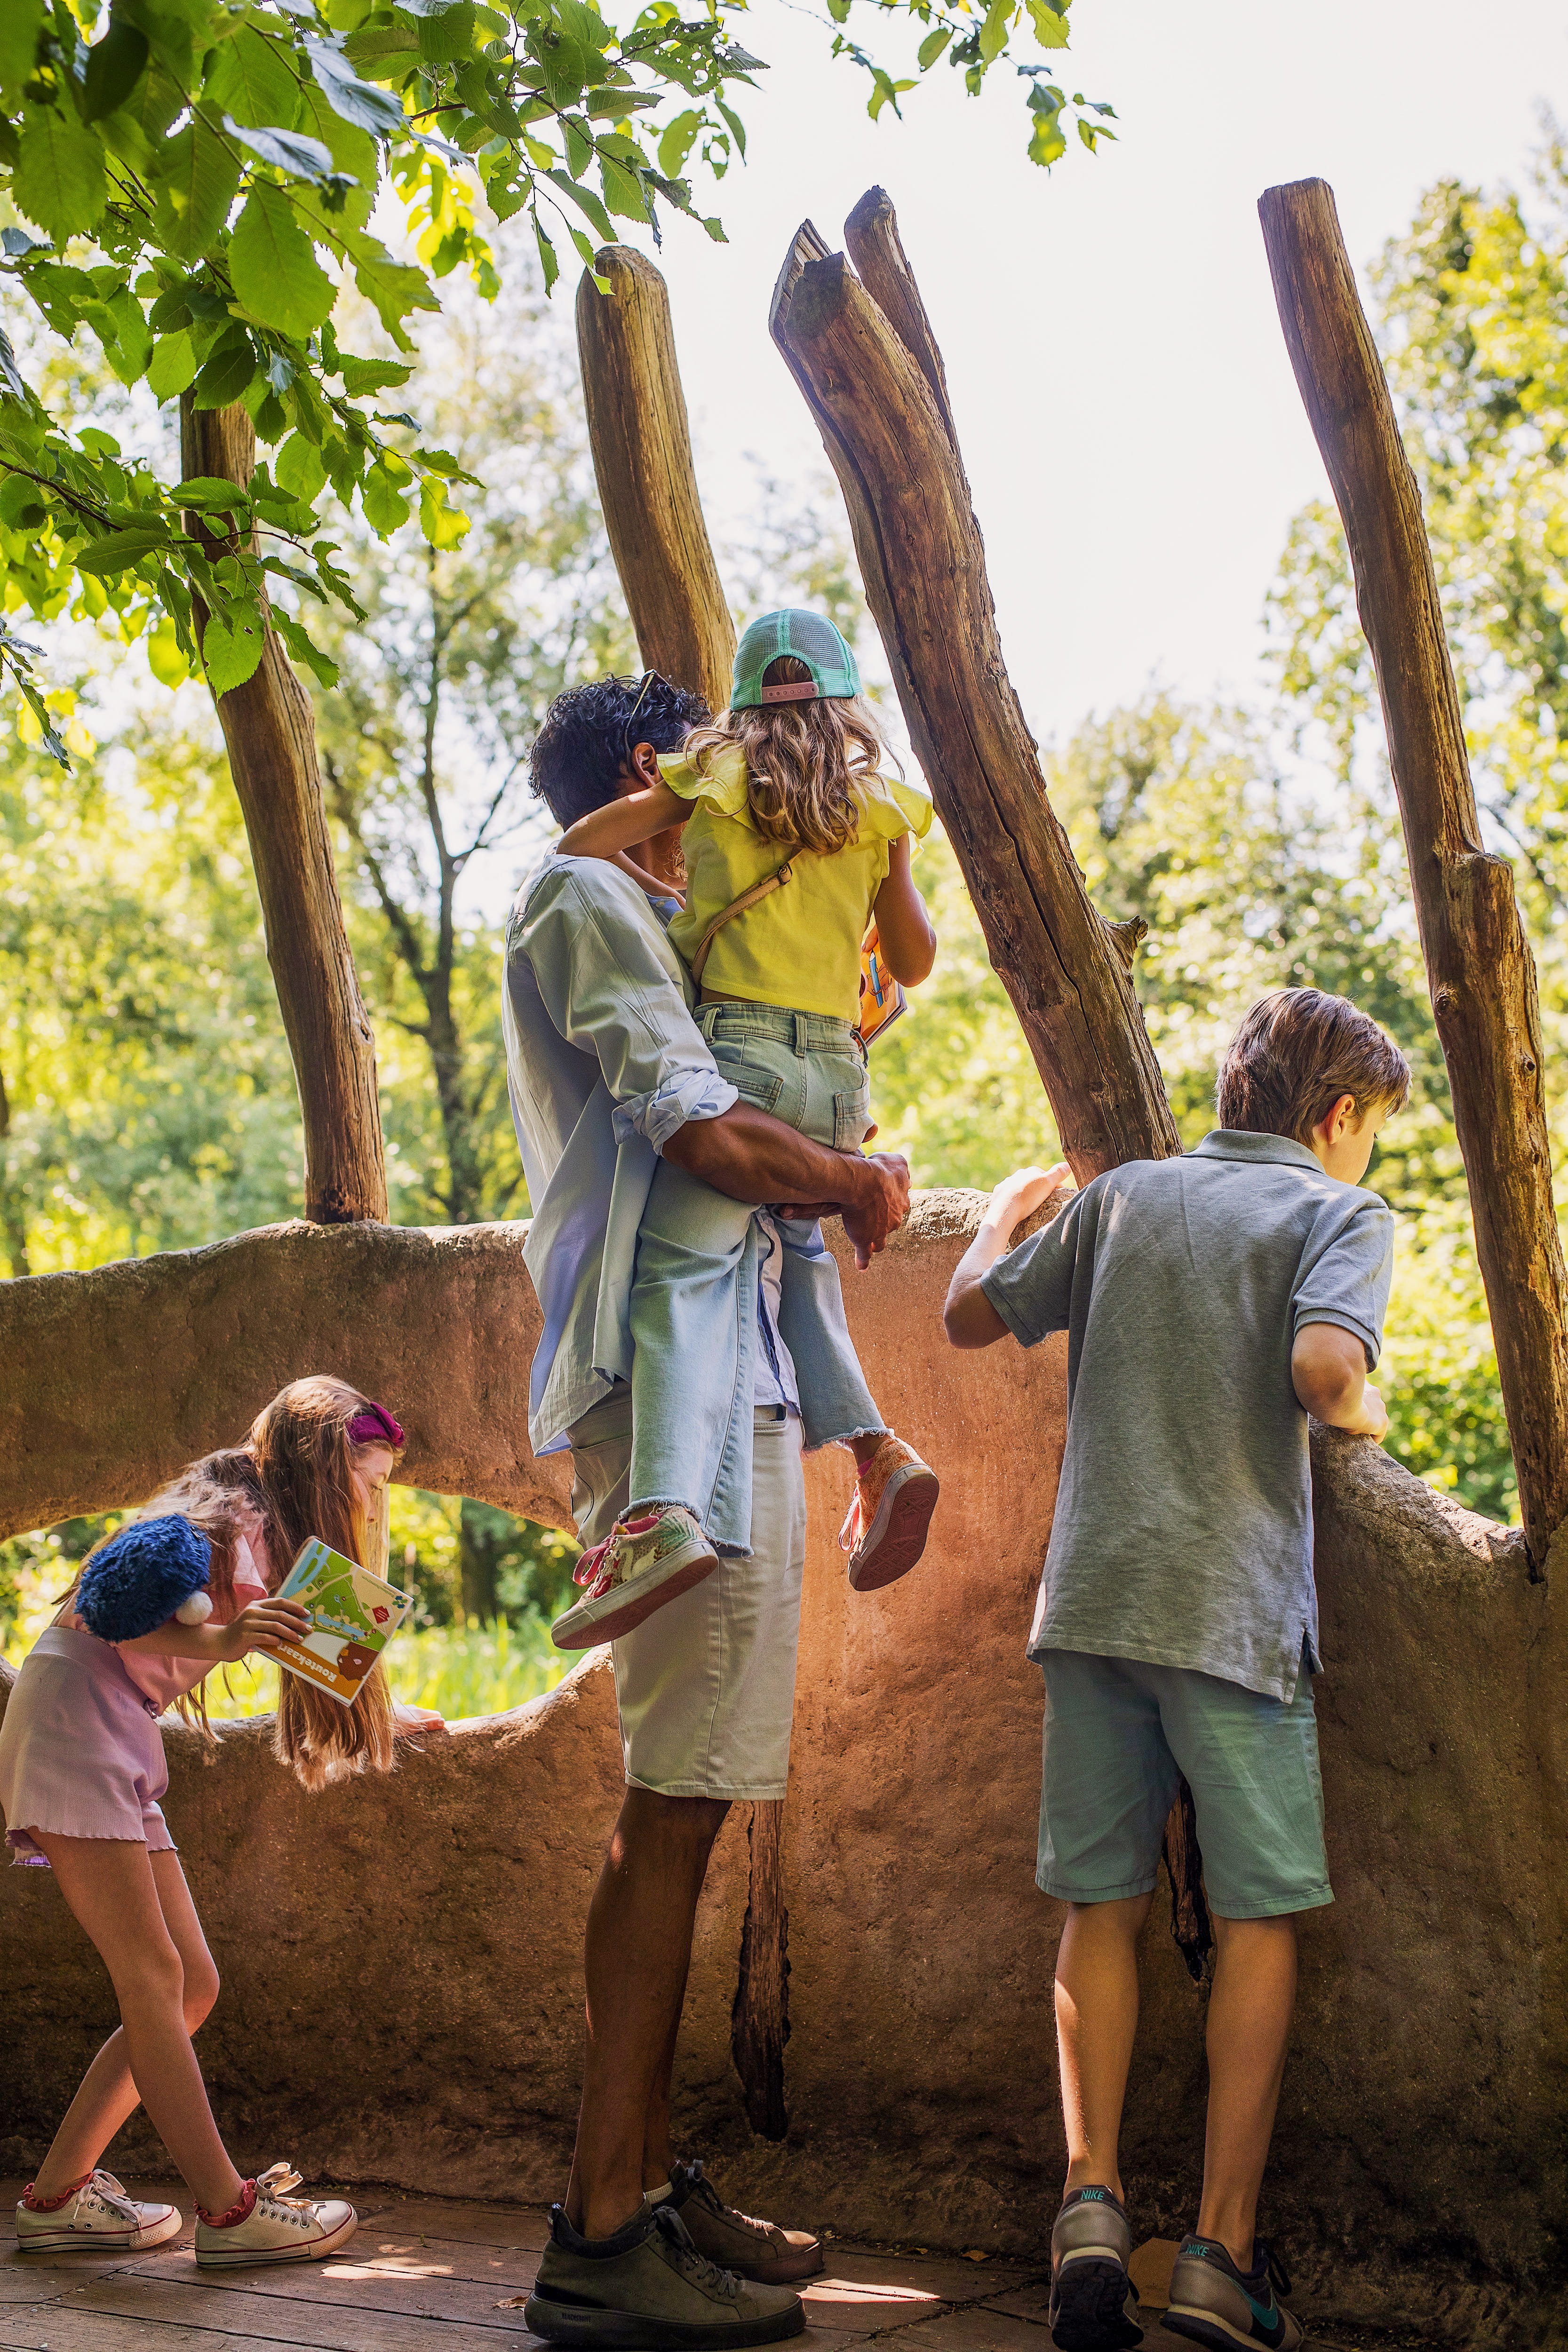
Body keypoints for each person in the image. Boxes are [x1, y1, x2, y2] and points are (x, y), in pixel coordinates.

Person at [506, 668, 911, 2348]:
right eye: (710, 773)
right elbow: (697, 1132)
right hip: (670, 1397)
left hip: (732, 1381)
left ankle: (642, 2185)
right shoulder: (588, 899)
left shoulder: (677, 924)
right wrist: (854, 1177)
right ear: (651, 771)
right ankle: (602, 2231)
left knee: (685, 1800)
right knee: (674, 1805)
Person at [942, 988, 1410, 2352]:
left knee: (1098, 1903)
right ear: (1335, 1117)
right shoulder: (1336, 1214)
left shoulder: (1125, 1197)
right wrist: (1362, 1406)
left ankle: (1088, 2205)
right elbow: (1323, 1370)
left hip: (1092, 1603)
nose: (1365, 1154)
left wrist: (994, 1220)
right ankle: (1217, 2252)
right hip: (1230, 1620)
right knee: (1255, 1918)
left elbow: (969, 1315)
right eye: (1369, 1130)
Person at [550, 611, 939, 1650]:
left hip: (742, 1056)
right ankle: (877, 1453)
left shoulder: (708, 781)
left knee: (678, 1276)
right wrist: (883, 865)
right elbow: (911, 959)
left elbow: (577, 851)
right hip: (837, 1078)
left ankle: (659, 1513)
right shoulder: (883, 809)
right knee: (797, 1249)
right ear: (844, 702)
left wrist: (670, 869)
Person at [1, 1377, 414, 2269]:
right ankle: (229, 2214)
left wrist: (389, 1716)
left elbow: (320, 1664)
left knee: (190, 1987)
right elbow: (115, 1605)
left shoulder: (271, 1536)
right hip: (75, 1722)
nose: (373, 1501)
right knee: (154, 1976)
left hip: (113, 1732)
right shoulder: (222, 1520)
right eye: (368, 1481)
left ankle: (57, 2197)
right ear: (321, 1467)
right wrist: (225, 1642)